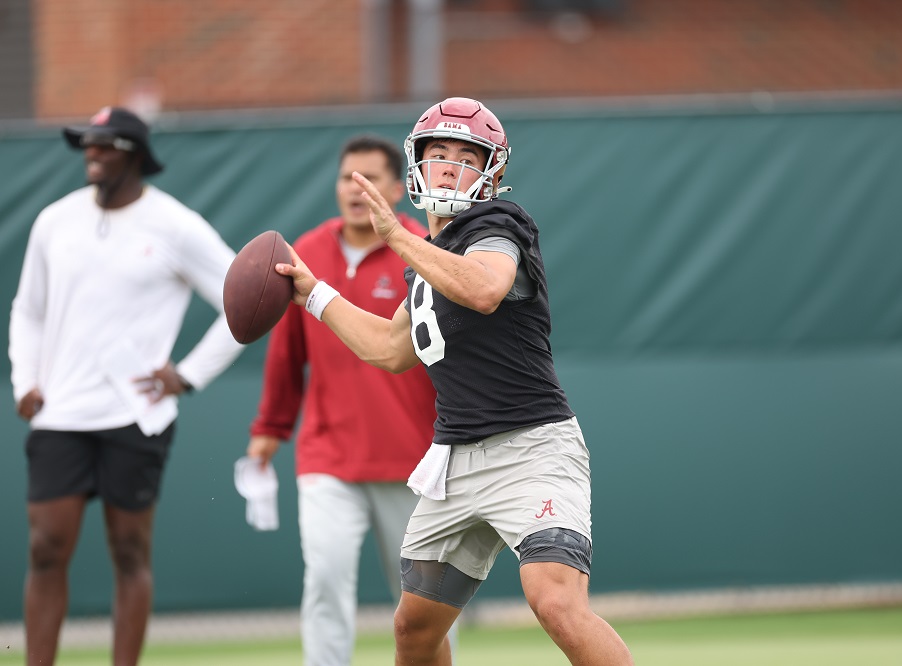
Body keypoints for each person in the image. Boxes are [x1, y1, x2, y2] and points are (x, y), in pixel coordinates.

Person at [275, 97, 634, 665]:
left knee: (555, 601)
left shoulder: (497, 226)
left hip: (531, 449)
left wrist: (397, 237)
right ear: (416, 164)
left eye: (466, 156)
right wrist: (313, 294)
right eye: (436, 152)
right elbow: (391, 349)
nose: (448, 165)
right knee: (414, 628)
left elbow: (486, 287)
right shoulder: (427, 258)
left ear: (494, 171)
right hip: (455, 461)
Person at [8, 106, 244, 666]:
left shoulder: (176, 225)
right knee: (45, 550)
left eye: (104, 145)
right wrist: (26, 377)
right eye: (86, 145)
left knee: (129, 552)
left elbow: (244, 300)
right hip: (60, 415)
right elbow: (28, 310)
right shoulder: (53, 221)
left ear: (134, 154)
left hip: (135, 418)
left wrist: (187, 375)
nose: (91, 154)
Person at [245, 134, 445, 665]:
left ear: (399, 188)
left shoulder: (422, 249)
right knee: (326, 581)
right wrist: (269, 430)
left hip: (413, 461)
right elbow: (286, 355)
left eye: (370, 178)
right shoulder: (305, 252)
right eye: (345, 178)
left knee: (423, 607)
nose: (356, 190)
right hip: (327, 457)